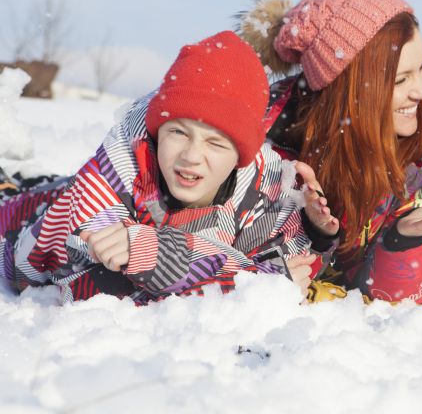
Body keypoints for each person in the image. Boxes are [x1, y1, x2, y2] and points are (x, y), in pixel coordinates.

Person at [0, 31, 320, 303]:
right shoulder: (112, 177)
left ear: (241, 156)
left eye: (216, 143)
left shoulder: (267, 189)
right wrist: (244, 279)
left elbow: (289, 276)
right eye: (178, 132)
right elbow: (72, 288)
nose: (191, 156)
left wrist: (156, 255)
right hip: (31, 221)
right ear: (157, 132)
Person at [238, 0, 422, 304]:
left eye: (421, 67)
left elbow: (390, 307)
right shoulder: (262, 144)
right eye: (401, 79)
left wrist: (401, 242)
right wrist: (316, 235)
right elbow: (236, 276)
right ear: (348, 91)